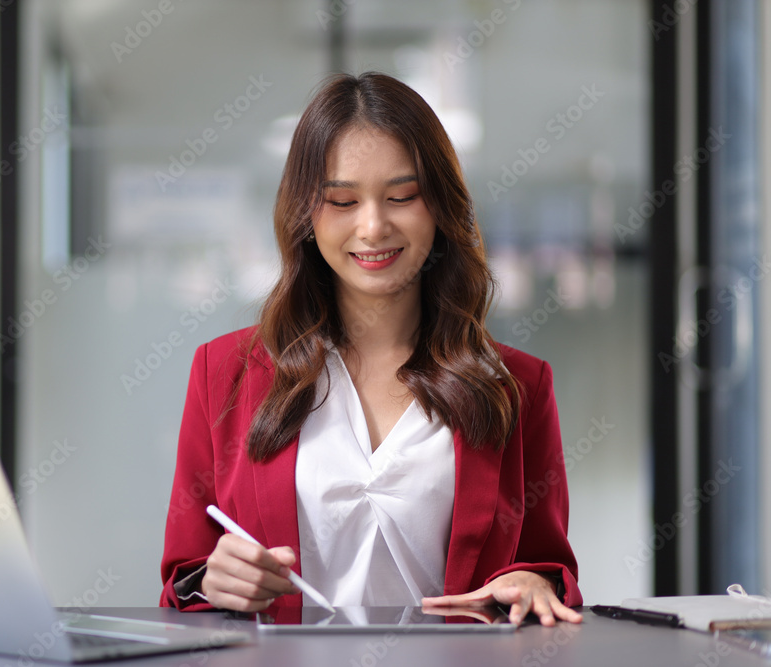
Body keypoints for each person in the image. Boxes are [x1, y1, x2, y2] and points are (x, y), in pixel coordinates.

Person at [159, 72, 583, 626]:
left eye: (402, 196)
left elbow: (549, 568)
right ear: (306, 215)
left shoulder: (518, 385)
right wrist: (211, 581)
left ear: (441, 208)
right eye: (342, 200)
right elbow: (181, 581)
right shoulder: (224, 372)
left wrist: (534, 582)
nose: (373, 225)